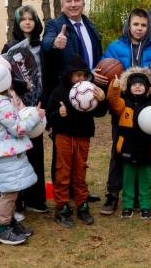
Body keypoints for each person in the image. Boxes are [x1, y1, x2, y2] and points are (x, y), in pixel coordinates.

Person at [42, 0, 105, 203]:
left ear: (83, 3)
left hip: (86, 93)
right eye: (68, 0)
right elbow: (47, 43)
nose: (73, 4)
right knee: (62, 146)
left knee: (80, 146)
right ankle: (63, 195)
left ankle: (80, 191)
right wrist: (54, 43)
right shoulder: (54, 25)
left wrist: (94, 73)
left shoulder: (90, 25)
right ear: (62, 5)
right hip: (64, 93)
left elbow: (96, 54)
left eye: (77, 0)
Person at [99, 8, 151, 215]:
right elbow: (103, 70)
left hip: (147, 106)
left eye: (143, 25)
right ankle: (113, 193)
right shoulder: (115, 47)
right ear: (129, 25)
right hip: (123, 104)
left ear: (148, 28)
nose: (139, 28)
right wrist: (110, 80)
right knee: (119, 148)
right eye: (136, 24)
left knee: (147, 148)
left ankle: (140, 192)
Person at [0, 54, 44, 245]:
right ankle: (3, 228)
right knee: (10, 192)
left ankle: (11, 222)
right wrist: (35, 116)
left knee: (10, 189)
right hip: (5, 154)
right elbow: (18, 128)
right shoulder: (2, 105)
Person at [46, 55, 108, 227]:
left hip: (83, 135)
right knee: (63, 172)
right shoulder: (58, 92)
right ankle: (62, 207)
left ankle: (82, 204)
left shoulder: (90, 90)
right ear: (69, 75)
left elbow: (100, 113)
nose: (80, 79)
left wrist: (102, 100)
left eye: (83, 75)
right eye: (77, 75)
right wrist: (59, 114)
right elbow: (49, 117)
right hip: (63, 136)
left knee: (80, 172)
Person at [107, 67, 151, 219]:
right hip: (127, 147)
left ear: (147, 88)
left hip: (146, 147)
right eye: (134, 84)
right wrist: (115, 87)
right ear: (129, 87)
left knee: (145, 178)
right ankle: (127, 205)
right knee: (128, 178)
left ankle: (145, 205)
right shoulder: (123, 103)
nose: (137, 86)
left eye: (141, 85)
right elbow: (113, 101)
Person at [2, 5, 48, 217]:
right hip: (17, 107)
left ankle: (36, 200)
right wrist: (21, 88)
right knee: (18, 154)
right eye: (23, 19)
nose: (27, 22)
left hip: (37, 106)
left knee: (36, 152)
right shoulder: (10, 47)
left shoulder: (43, 46)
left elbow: (48, 74)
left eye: (31, 19)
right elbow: (5, 78)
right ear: (17, 23)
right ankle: (17, 201)